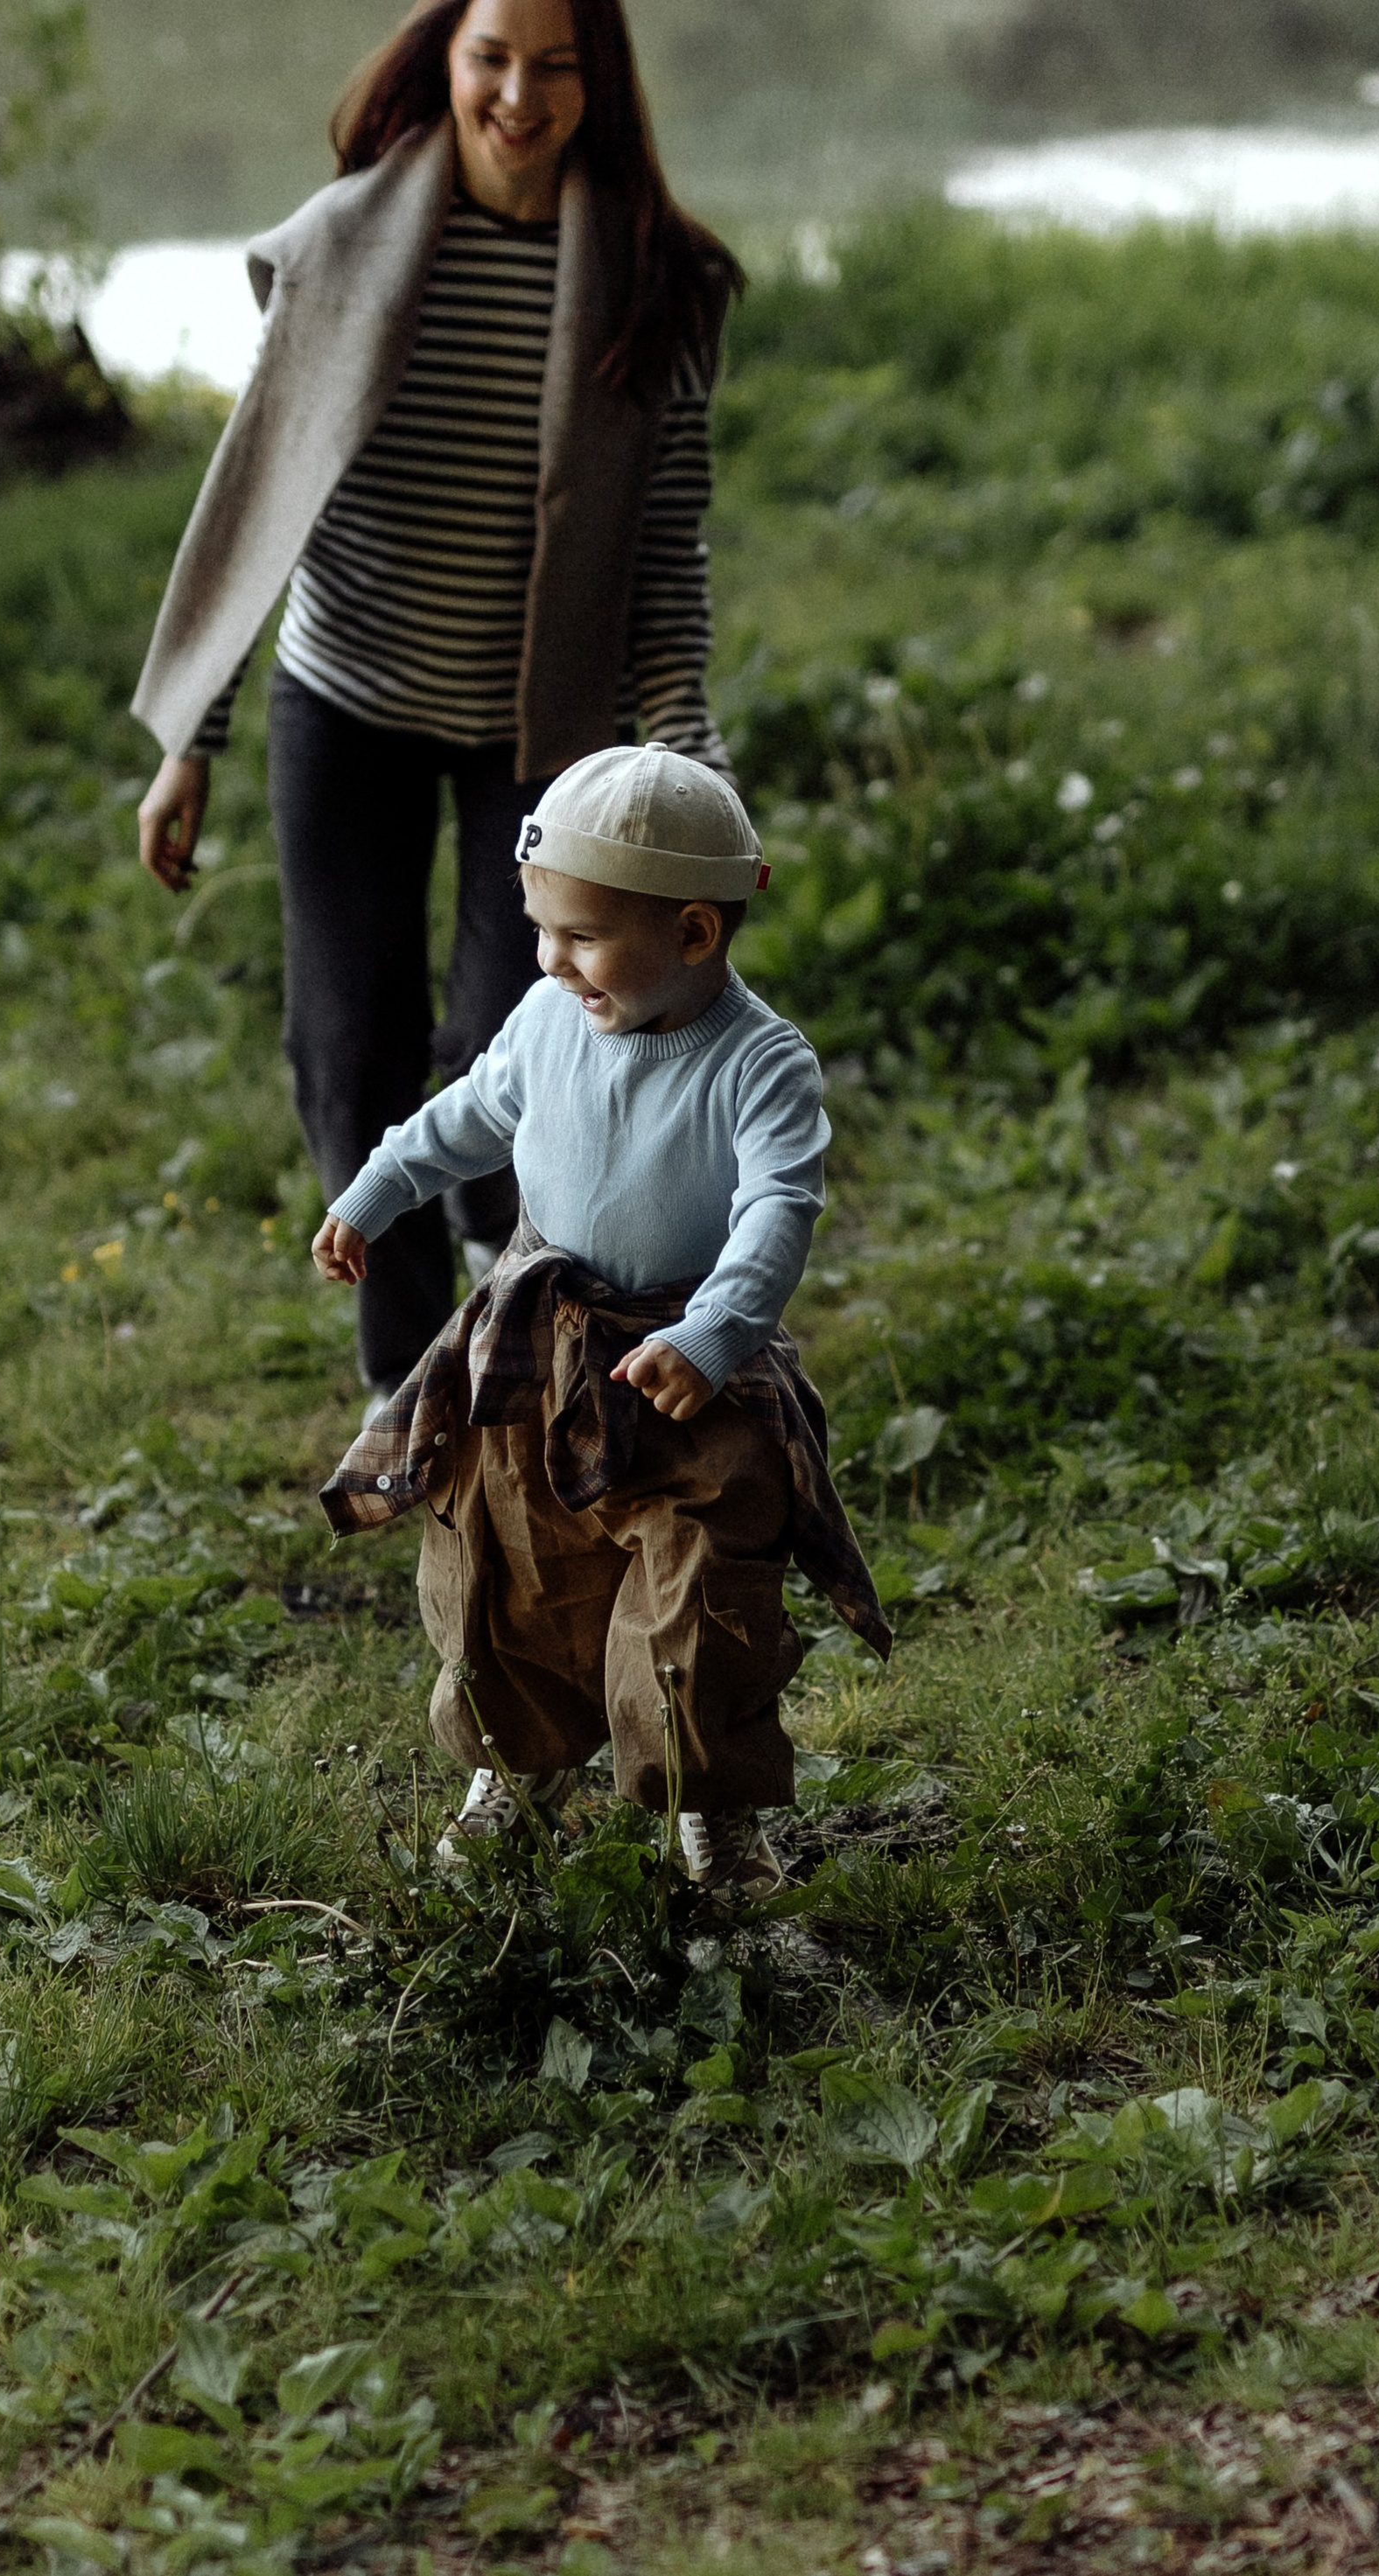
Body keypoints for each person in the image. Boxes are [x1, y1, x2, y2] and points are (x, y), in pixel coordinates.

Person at [130, 0, 742, 1407]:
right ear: (445, 59)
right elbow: (255, 501)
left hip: (544, 734)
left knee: (502, 1040)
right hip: (346, 706)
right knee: (349, 1052)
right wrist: (193, 735)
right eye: (490, 57)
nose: (519, 96)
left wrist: (689, 759)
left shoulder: (657, 281)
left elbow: (666, 557)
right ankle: (411, 1395)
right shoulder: (346, 246)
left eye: (556, 65)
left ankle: (508, 1263)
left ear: (600, 81)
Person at [309, 744, 892, 1899]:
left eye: (580, 935)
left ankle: (708, 1803)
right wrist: (373, 1192)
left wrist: (715, 1332)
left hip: (684, 1366)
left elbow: (779, 1207)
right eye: (540, 928)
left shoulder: (759, 1063)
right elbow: (466, 1116)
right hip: (541, 1347)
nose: (549, 959)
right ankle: (518, 1766)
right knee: (513, 1565)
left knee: (700, 1584)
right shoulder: (547, 1018)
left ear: (694, 932)